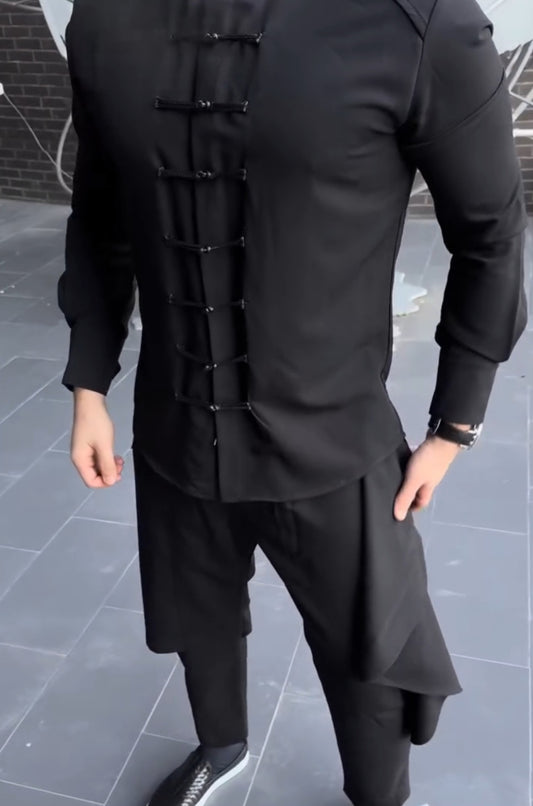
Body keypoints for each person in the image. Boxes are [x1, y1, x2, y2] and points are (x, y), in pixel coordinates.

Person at [58, 0, 528, 804]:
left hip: (333, 438)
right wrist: (89, 383)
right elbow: (101, 219)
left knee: (370, 656)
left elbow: (490, 232)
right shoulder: (104, 19)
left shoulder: (419, 22)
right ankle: (220, 746)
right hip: (174, 421)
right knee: (196, 616)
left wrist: (455, 423)